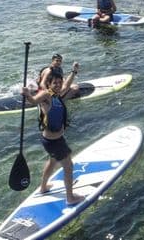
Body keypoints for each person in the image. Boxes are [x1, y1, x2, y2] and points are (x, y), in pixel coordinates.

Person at [21, 65, 85, 206]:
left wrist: (74, 71)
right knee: (68, 167)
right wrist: (27, 94)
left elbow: (67, 84)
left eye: (59, 82)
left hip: (52, 140)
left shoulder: (58, 94)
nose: (58, 85)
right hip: (54, 142)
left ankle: (43, 188)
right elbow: (33, 101)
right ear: (49, 84)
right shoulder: (46, 95)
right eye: (54, 82)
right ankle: (70, 198)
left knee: (52, 161)